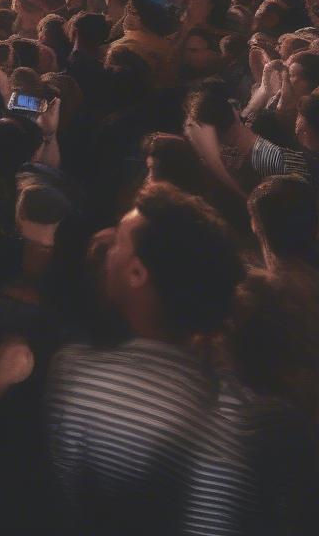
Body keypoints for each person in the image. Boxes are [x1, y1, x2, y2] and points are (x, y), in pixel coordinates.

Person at [47, 183, 309, 536]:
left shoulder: (81, 376)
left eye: (119, 243)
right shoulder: (263, 409)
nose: (107, 247)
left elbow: (68, 503)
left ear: (137, 274)